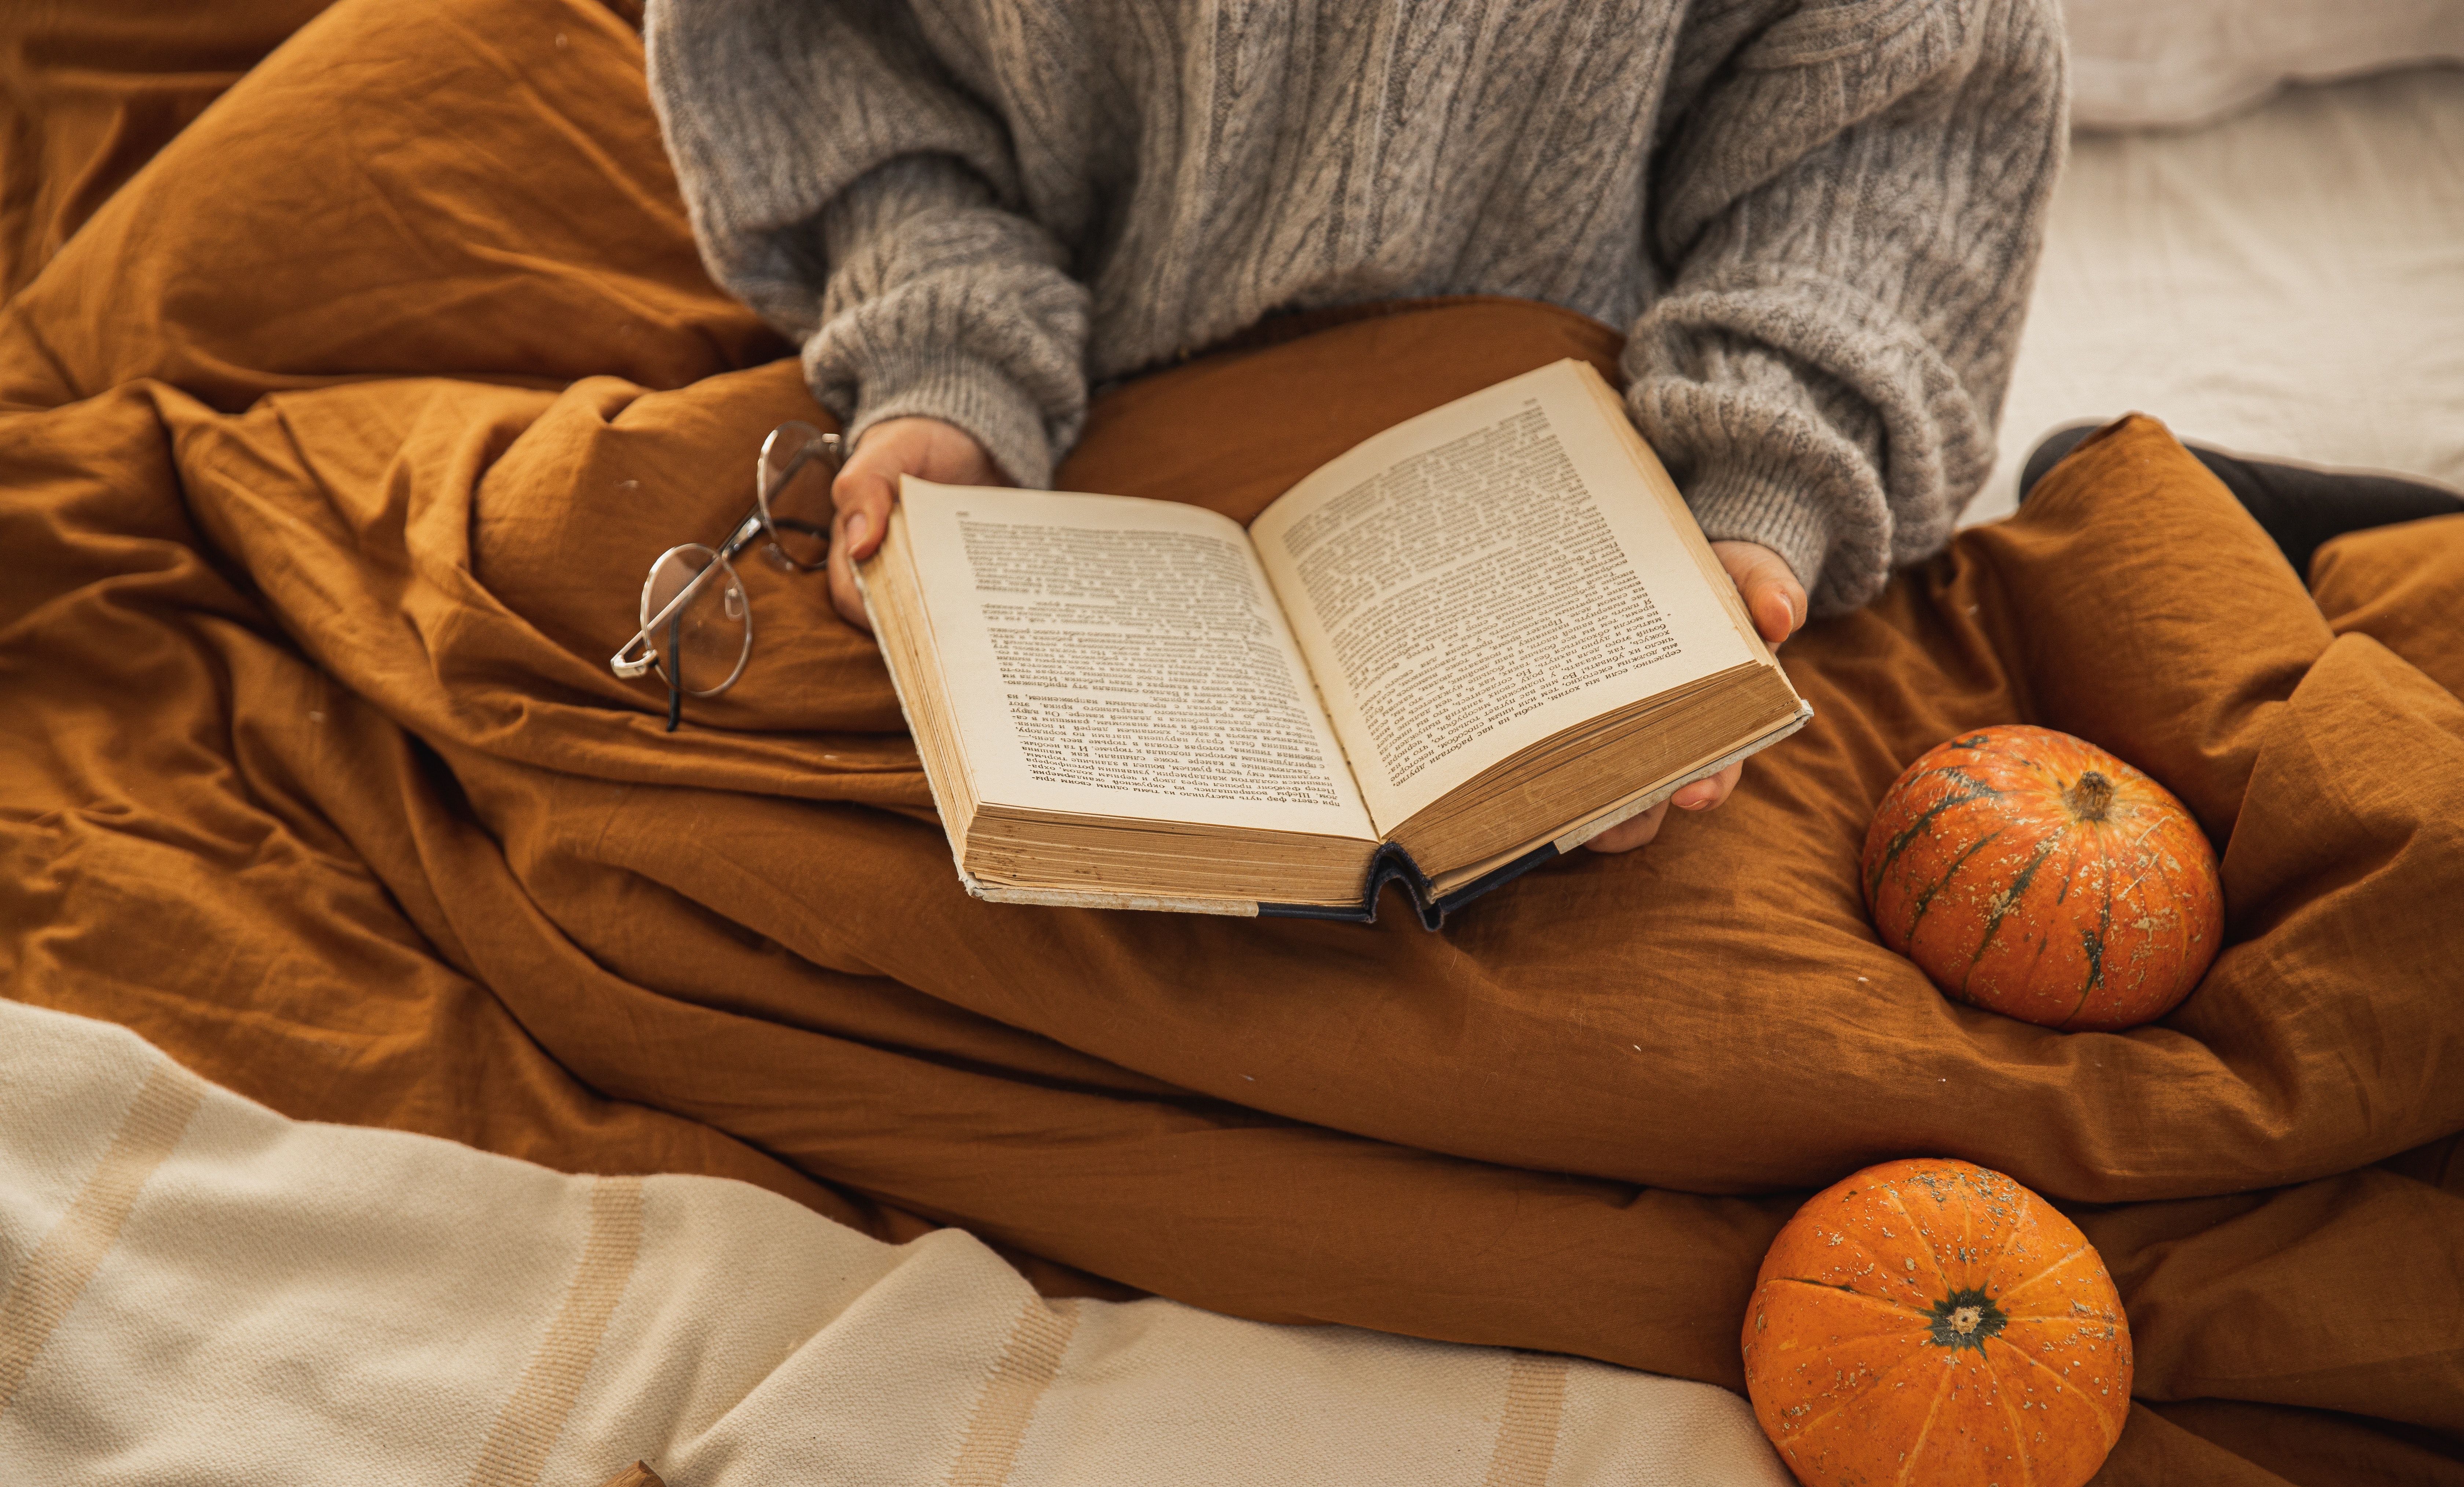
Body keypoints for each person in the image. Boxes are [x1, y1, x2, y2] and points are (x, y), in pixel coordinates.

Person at [645, 0, 2065, 851]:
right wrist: (943, 343)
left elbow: (1898, 102)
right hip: (1065, 418)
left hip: (1617, 453)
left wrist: (1759, 473)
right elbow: (831, 53)